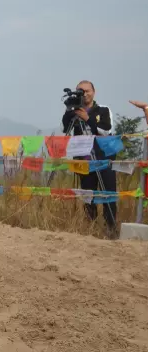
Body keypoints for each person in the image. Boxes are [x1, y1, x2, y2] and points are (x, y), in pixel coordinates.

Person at [62, 80, 117, 238]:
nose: (84, 94)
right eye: (81, 91)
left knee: (108, 193)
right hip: (83, 159)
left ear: (94, 92)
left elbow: (106, 131)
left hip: (103, 158)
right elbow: (65, 129)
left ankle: (110, 228)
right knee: (88, 195)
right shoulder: (74, 111)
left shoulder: (103, 110)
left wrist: (87, 118)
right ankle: (91, 228)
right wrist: (69, 111)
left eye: (87, 91)